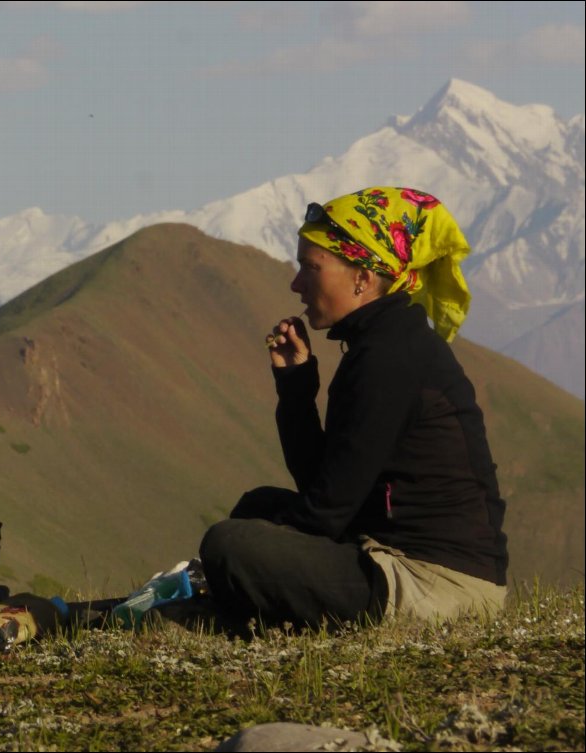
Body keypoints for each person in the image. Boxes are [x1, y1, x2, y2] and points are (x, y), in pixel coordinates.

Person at [197, 186, 508, 632]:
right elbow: (323, 487)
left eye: (311, 267)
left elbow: (325, 513)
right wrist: (296, 386)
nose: (296, 283)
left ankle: (220, 610)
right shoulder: (382, 343)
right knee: (257, 509)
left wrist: (242, 554)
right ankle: (238, 606)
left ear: (362, 277)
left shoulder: (389, 356)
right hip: (395, 558)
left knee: (230, 543)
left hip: (437, 585)